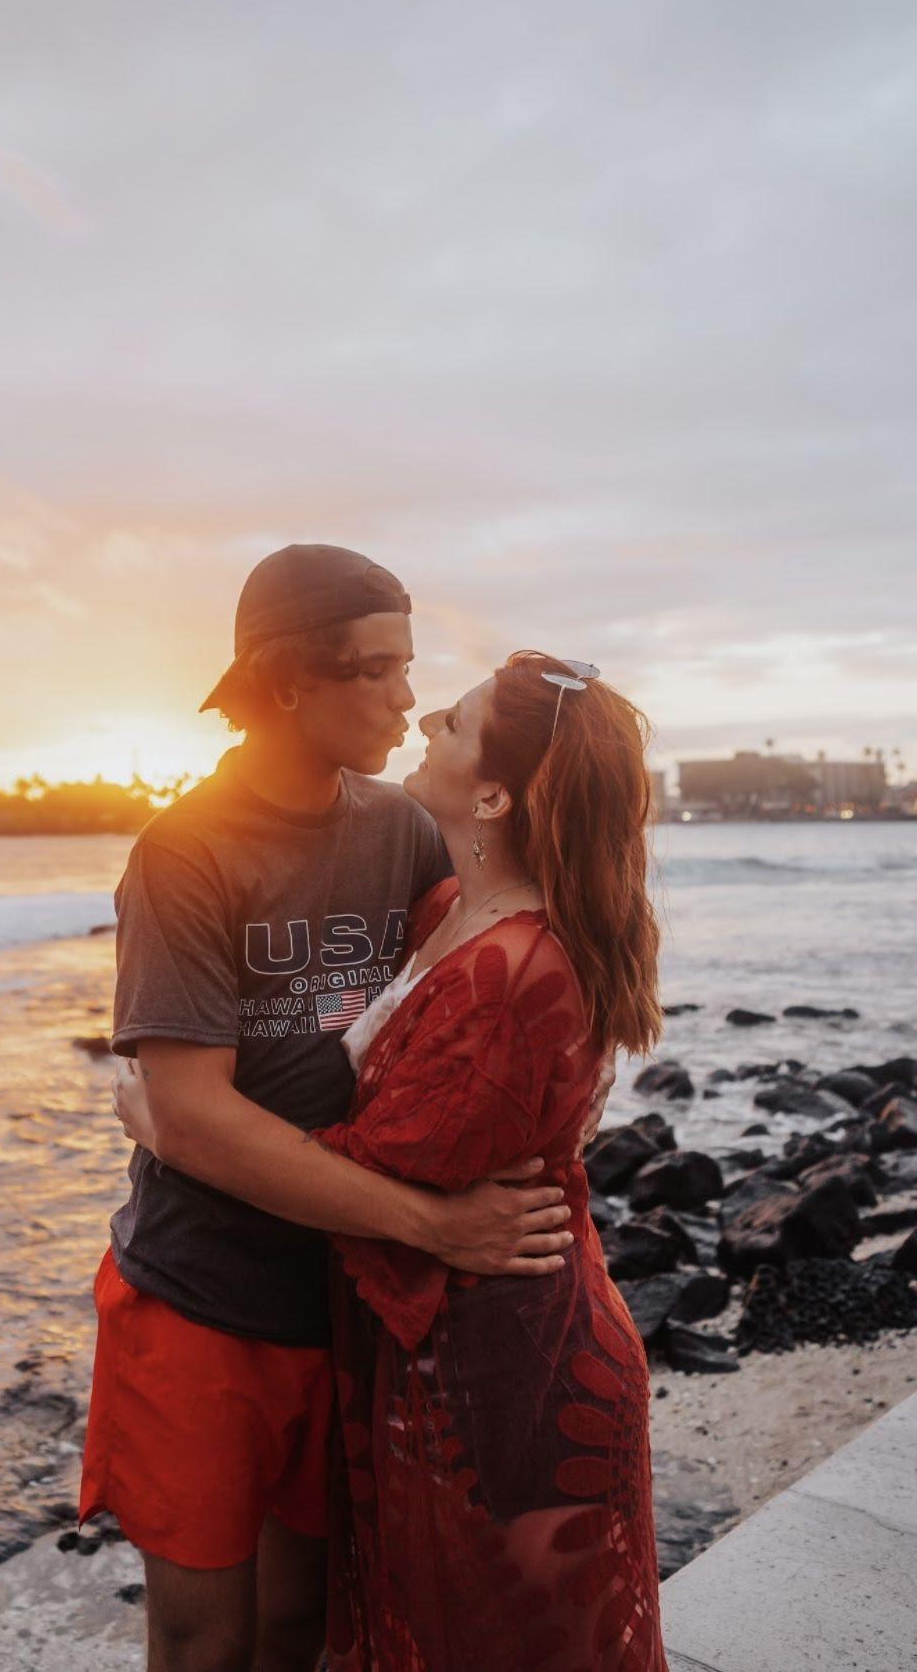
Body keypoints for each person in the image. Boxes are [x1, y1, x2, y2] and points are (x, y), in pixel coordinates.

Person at [80, 549, 597, 1672]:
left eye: (410, 671)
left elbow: (493, 978)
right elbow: (197, 1114)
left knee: (305, 1621)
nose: (407, 701)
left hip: (340, 1306)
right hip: (200, 1298)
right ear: (283, 684)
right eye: (377, 671)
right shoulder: (185, 855)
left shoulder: (399, 831)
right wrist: (429, 1223)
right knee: (205, 1638)